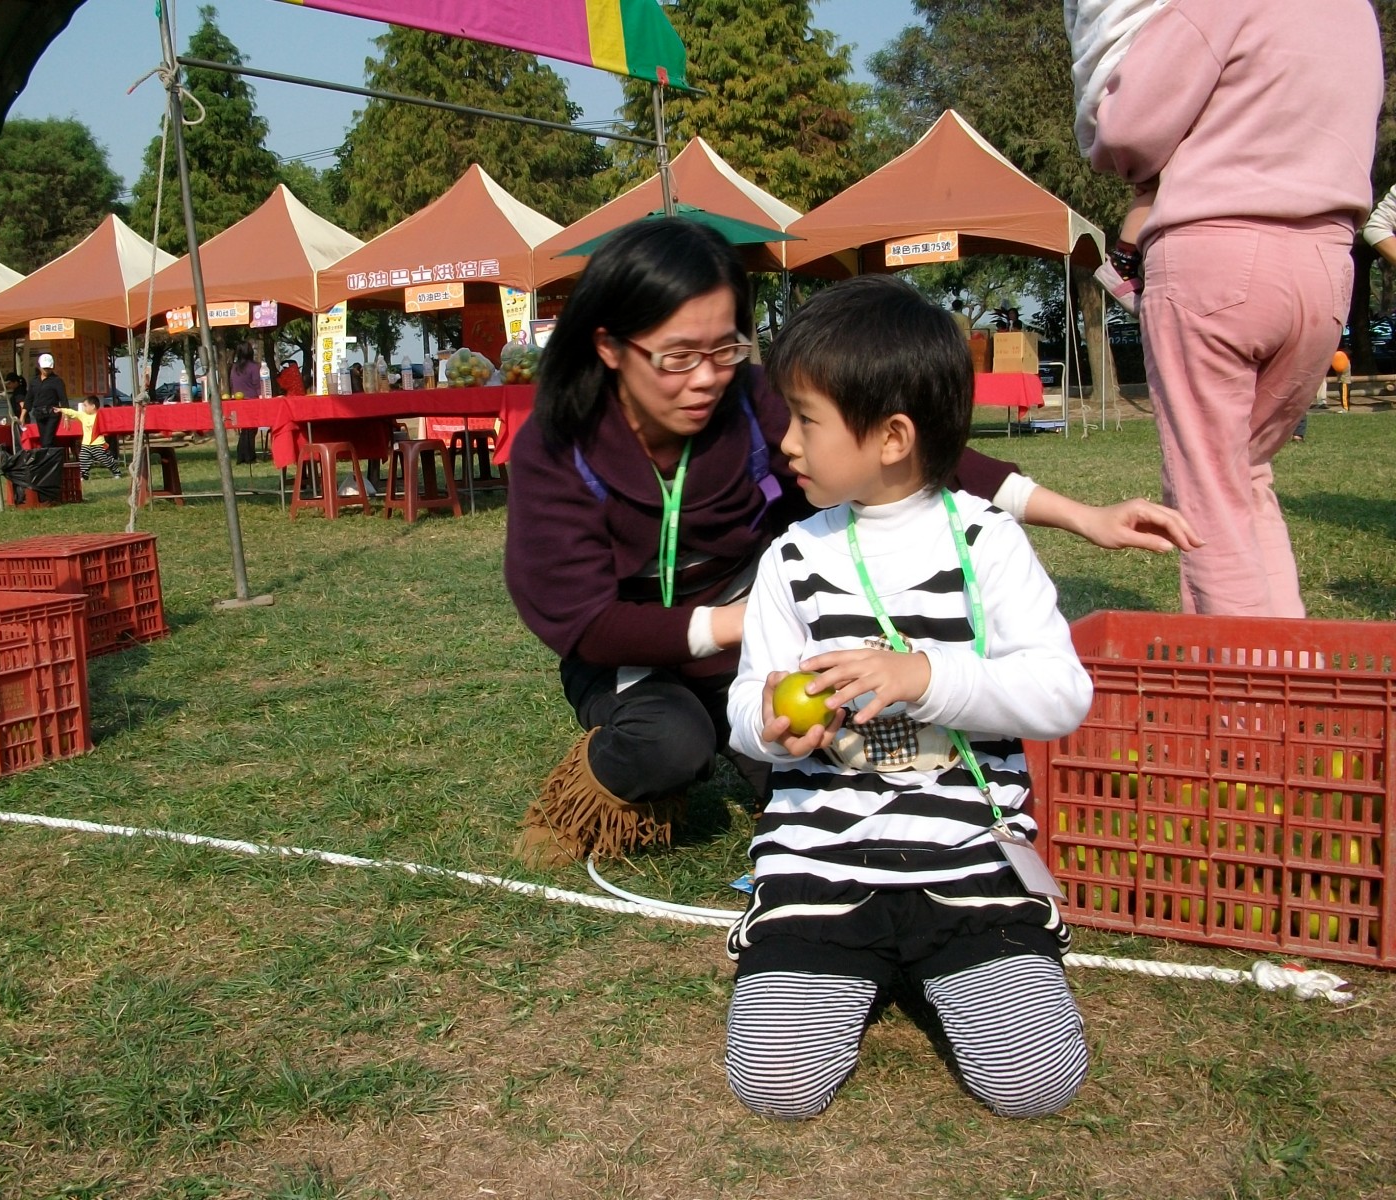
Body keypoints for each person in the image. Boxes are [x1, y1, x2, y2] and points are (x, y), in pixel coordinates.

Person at [503, 219, 1195, 868]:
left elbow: (912, 451)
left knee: (828, 763)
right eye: (678, 356)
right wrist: (744, 620)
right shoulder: (558, 449)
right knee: (670, 741)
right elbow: (586, 624)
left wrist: (1082, 517)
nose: (707, 376)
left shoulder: (747, 401)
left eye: (725, 348)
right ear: (610, 347)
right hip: (637, 651)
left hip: (764, 642)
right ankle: (589, 794)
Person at [723, 274, 1091, 1121]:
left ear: (892, 437)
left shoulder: (988, 543)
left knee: (1035, 1081)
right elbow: (747, 703)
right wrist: (770, 722)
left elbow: (1061, 695)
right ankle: (846, 970)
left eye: (807, 420)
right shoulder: (791, 558)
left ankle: (958, 971)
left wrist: (925, 677)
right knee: (774, 1084)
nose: (786, 440)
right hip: (820, 863)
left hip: (969, 861)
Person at [1087, 0, 1382, 617]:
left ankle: (1239, 679)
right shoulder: (1357, 10)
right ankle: (1289, 666)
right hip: (1328, 264)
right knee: (1246, 476)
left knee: (1209, 501)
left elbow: (1126, 130)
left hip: (1218, 252)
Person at [1066, 0, 1170, 314]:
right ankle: (1124, 260)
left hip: (1101, 79)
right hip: (1139, 68)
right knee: (1163, 178)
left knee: (1153, 182)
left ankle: (1125, 259)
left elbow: (1075, 23)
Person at [55, 396, 123, 481]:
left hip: (98, 444)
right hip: (86, 445)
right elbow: (73, 412)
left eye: (85, 405)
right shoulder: (83, 415)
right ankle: (84, 476)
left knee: (106, 460)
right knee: (84, 460)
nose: (84, 408)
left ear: (93, 406)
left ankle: (116, 472)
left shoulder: (100, 416)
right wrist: (61, 410)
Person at [229, 341, 263, 464]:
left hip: (238, 401)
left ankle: (242, 455)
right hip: (252, 401)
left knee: (245, 429)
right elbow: (257, 384)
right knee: (251, 430)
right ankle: (249, 457)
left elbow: (232, 383)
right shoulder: (254, 367)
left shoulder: (234, 367)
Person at [28, 353, 66, 449]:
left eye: (49, 368)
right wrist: (22, 415)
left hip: (52, 413)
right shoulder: (34, 381)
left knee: (47, 440)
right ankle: (50, 457)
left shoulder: (57, 380)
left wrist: (66, 415)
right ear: (39, 367)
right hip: (39, 413)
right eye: (44, 368)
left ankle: (50, 456)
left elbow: (63, 398)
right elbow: (28, 398)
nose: (46, 370)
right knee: (44, 440)